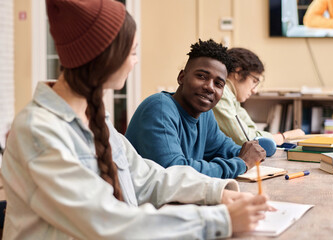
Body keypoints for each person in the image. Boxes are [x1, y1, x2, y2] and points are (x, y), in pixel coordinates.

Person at [1, 0, 273, 239]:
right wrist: (221, 220)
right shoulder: (38, 131)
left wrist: (218, 192)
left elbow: (147, 177)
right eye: (132, 52)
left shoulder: (96, 119)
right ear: (104, 56)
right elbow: (106, 222)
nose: (135, 61)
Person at [125, 39, 266, 179]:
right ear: (181, 77)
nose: (210, 87)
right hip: (143, 201)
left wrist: (250, 153)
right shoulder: (159, 109)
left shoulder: (205, 115)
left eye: (218, 83)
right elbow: (175, 172)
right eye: (202, 76)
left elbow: (223, 148)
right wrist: (240, 163)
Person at [213, 48, 305, 146]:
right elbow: (247, 139)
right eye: (254, 81)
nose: (254, 91)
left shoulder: (232, 98)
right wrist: (284, 137)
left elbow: (252, 129)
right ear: (238, 73)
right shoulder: (222, 93)